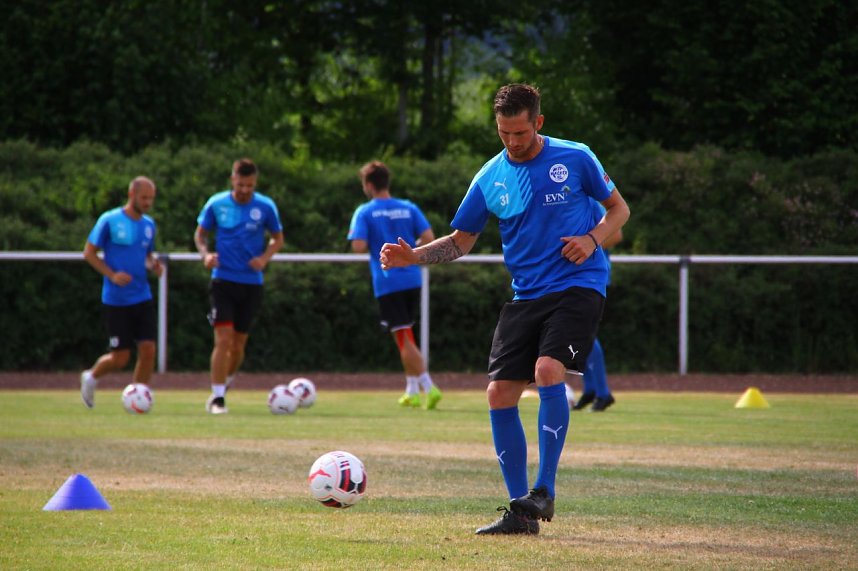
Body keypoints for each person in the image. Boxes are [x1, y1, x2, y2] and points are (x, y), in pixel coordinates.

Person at [380, 83, 630, 535]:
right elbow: (461, 241)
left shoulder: (575, 157)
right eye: (503, 133)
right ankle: (520, 514)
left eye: (520, 132)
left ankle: (544, 490)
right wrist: (413, 257)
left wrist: (592, 239)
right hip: (526, 295)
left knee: (549, 370)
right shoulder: (490, 177)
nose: (513, 142)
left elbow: (619, 210)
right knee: (498, 394)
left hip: (579, 283)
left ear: (538, 122)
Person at [347, 161, 442, 410]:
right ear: (387, 182)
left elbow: (357, 246)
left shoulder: (365, 211)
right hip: (413, 277)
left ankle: (428, 386)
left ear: (368, 185)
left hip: (388, 280)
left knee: (403, 336)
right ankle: (411, 391)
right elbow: (430, 238)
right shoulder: (408, 207)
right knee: (407, 332)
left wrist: (377, 242)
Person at [194, 158, 284, 414]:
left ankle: (227, 380)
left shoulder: (266, 206)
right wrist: (205, 255)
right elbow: (200, 234)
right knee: (223, 340)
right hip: (223, 280)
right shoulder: (217, 203)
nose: (245, 190)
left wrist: (264, 258)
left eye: (250, 185)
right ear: (233, 179)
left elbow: (278, 238)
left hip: (252, 283)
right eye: (241, 184)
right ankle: (218, 397)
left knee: (238, 346)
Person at [80, 176, 163, 408]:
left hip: (142, 295)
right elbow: (89, 253)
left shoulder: (149, 225)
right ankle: (91, 376)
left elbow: (146, 255)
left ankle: (137, 398)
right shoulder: (110, 220)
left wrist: (154, 264)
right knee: (120, 357)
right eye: (144, 197)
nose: (148, 202)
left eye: (151, 198)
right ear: (132, 195)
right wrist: (112, 274)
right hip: (116, 299)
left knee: (148, 350)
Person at [573, 206, 623, 413]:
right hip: (575, 276)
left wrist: (587, 245)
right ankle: (592, 389)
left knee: (584, 333)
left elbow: (616, 235)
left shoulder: (591, 199)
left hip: (589, 276)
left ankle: (602, 392)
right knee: (579, 333)